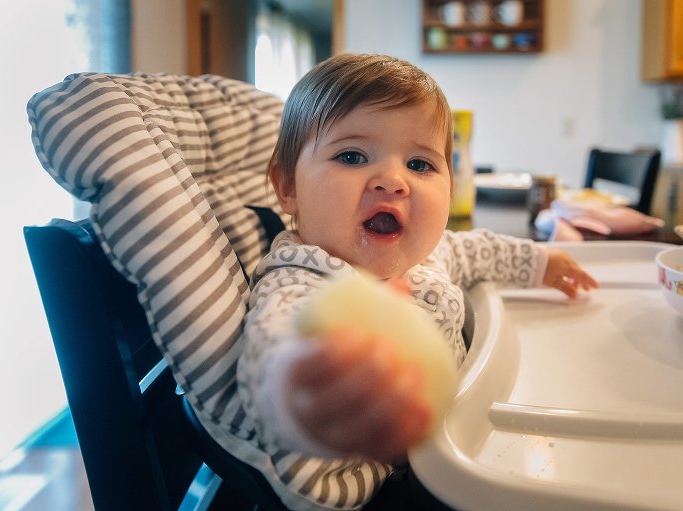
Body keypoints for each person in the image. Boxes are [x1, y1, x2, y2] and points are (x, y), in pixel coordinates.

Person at [232, 53, 598, 511]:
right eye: (352, 156)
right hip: (382, 485)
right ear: (287, 187)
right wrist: (313, 387)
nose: (392, 181)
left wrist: (540, 262)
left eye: (420, 165)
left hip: (461, 442)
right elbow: (272, 349)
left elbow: (474, 249)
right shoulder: (303, 280)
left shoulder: (420, 254)